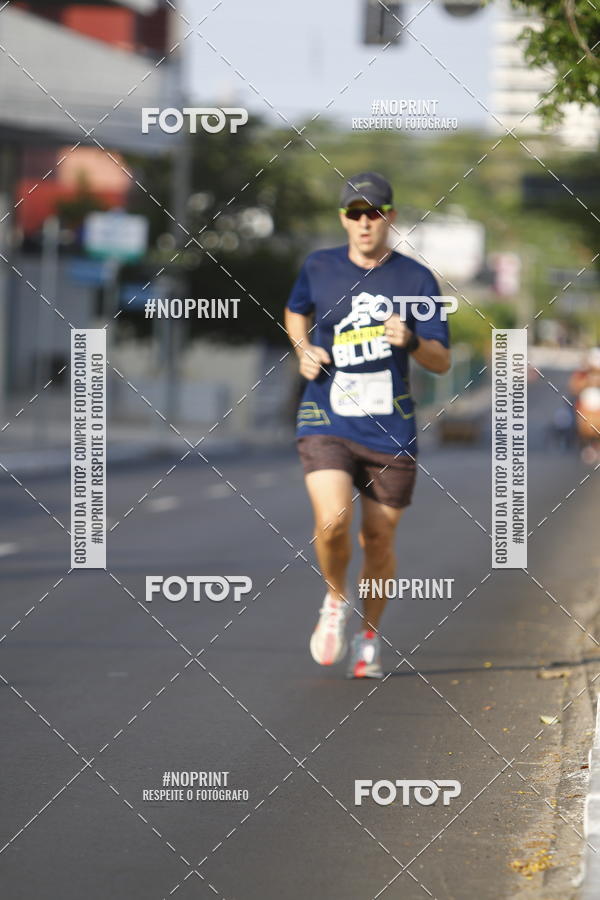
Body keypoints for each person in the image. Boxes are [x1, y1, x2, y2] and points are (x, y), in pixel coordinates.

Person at [284, 172, 451, 678]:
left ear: (390, 217)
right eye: (353, 213)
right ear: (343, 219)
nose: (363, 222)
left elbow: (442, 361)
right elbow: (296, 312)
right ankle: (335, 599)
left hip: (390, 430)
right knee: (333, 521)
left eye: (373, 212)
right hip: (326, 416)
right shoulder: (319, 265)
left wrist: (411, 341)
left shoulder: (417, 280)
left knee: (377, 541)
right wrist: (303, 349)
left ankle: (370, 636)